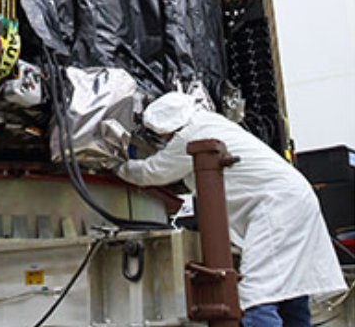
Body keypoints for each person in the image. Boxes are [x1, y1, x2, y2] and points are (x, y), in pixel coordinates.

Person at [117, 91, 346, 327]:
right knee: (290, 290)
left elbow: (152, 172)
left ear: (168, 127)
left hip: (276, 206)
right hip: (295, 198)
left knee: (256, 295)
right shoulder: (211, 122)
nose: (163, 139)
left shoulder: (190, 136)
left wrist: (116, 166)